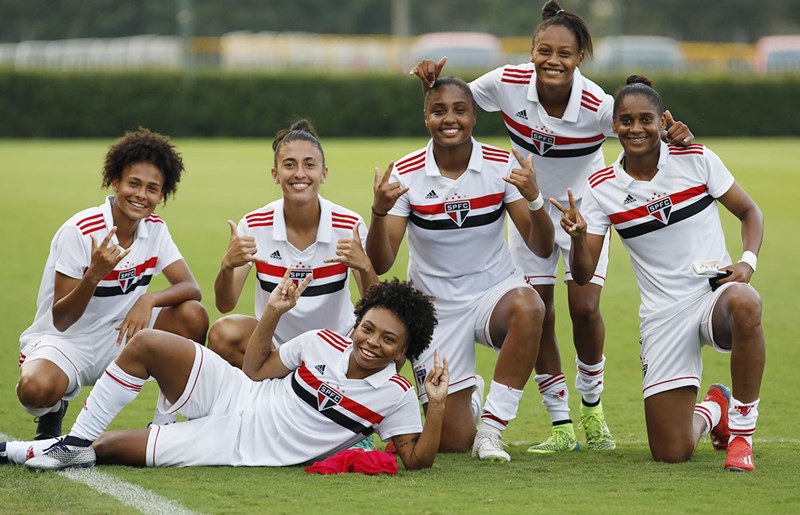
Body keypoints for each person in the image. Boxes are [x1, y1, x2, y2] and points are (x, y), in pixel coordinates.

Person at [410, 0, 694, 453]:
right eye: (544, 51)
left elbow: (640, 132)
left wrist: (674, 135)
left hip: (584, 214)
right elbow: (455, 102)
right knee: (539, 314)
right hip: (529, 210)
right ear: (531, 51)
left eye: (564, 53)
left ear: (580, 58)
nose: (553, 61)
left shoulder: (599, 106)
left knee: (584, 308)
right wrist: (431, 81)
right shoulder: (506, 83)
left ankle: (592, 408)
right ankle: (560, 422)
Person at [4, 276, 446, 472]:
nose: (371, 342)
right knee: (147, 345)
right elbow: (254, 370)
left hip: (241, 443)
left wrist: (437, 406)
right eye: (367, 327)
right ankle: (71, 444)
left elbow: (415, 458)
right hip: (238, 393)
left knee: (112, 447)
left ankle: (14, 451)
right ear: (357, 322)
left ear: (404, 350)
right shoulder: (323, 342)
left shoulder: (397, 393)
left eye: (388, 340)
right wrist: (272, 311)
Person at [551, 75, 764, 471]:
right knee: (671, 451)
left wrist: (747, 262)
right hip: (663, 315)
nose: (636, 129)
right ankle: (713, 409)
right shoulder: (600, 188)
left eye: (645, 119)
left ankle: (741, 435)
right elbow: (583, 275)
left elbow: (751, 212)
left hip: (713, 294)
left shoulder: (696, 157)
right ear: (613, 126)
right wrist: (579, 238)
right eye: (626, 121)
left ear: (662, 121)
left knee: (746, 302)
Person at [367, 76, 553, 462]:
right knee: (451, 441)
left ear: (473, 117)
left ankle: (492, 430)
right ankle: (470, 403)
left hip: (493, 293)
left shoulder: (502, 165)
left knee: (531, 306)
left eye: (460, 110)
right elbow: (382, 262)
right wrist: (379, 211)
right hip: (434, 310)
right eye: (439, 111)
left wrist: (535, 199)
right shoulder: (405, 172)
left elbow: (541, 245)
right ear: (426, 118)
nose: (449, 119)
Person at [15, 128, 208, 441]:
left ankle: (164, 424)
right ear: (115, 182)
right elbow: (62, 319)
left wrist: (147, 300)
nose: (141, 195)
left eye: (152, 188)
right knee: (35, 389)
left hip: (121, 335)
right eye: (133, 183)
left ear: (162, 195)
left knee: (192, 315)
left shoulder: (155, 229)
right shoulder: (81, 229)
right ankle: (52, 413)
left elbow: (190, 287)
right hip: (67, 340)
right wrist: (94, 274)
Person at [208, 119, 377, 368]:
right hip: (274, 344)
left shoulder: (349, 224)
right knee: (223, 334)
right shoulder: (254, 224)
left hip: (336, 344)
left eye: (309, 165)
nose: (300, 173)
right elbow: (225, 304)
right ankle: (273, 393)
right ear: (276, 175)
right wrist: (227, 266)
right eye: (289, 165)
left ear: (324, 173)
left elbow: (377, 306)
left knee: (391, 340)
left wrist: (365, 266)